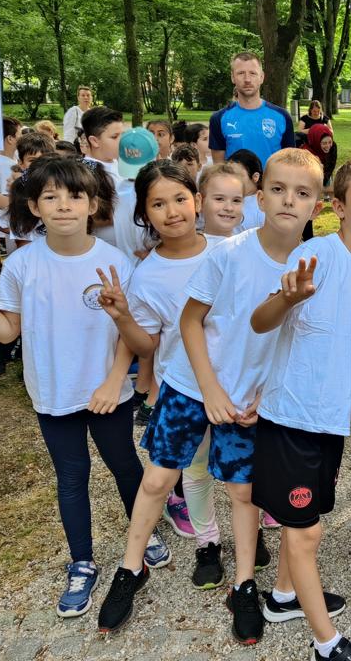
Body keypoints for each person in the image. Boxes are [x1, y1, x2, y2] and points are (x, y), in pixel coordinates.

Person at [99, 149, 326, 643]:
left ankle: (243, 584)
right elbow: (190, 322)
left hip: (249, 400)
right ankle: (130, 567)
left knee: (243, 491)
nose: (289, 201)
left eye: (302, 193)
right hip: (190, 385)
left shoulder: (318, 265)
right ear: (259, 196)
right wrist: (209, 389)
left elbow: (298, 342)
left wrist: (267, 396)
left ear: (319, 203)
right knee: (159, 480)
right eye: (278, 189)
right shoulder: (227, 253)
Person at [0, 155, 156, 619]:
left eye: (75, 196)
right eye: (51, 197)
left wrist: (115, 381)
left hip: (108, 394)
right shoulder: (23, 264)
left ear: (93, 205)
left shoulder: (115, 262)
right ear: (35, 206)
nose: (64, 205)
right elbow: (7, 332)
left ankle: (144, 536)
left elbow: (130, 336)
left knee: (125, 467)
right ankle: (82, 562)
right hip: (52, 393)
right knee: (71, 477)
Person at [250, 156, 351, 661]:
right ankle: (326, 642)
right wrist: (287, 301)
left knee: (305, 519)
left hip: (330, 423)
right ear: (338, 205)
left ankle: (283, 597)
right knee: (306, 531)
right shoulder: (315, 254)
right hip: (291, 418)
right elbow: (260, 321)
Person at [92, 160, 224, 598]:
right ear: (144, 214)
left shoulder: (228, 251)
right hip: (184, 390)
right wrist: (123, 317)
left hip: (238, 387)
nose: (172, 212)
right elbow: (146, 347)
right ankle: (202, 545)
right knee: (185, 473)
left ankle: (252, 540)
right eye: (158, 204)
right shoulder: (146, 276)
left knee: (244, 477)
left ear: (197, 201)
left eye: (180, 199)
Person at [209, 51, 296, 166]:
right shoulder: (219, 119)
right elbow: (219, 168)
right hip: (235, 178)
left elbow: (290, 163)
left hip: (272, 178)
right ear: (233, 77)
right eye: (241, 73)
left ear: (262, 77)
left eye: (253, 73)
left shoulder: (282, 117)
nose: (247, 79)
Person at [199, 163, 245, 239]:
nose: (229, 208)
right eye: (219, 199)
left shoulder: (248, 243)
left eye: (236, 200)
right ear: (200, 202)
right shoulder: (190, 246)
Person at [304, 123, 338, 190]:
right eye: (324, 143)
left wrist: (324, 183)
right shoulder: (305, 151)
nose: (328, 146)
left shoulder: (333, 146)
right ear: (316, 141)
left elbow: (331, 165)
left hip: (325, 176)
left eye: (330, 142)